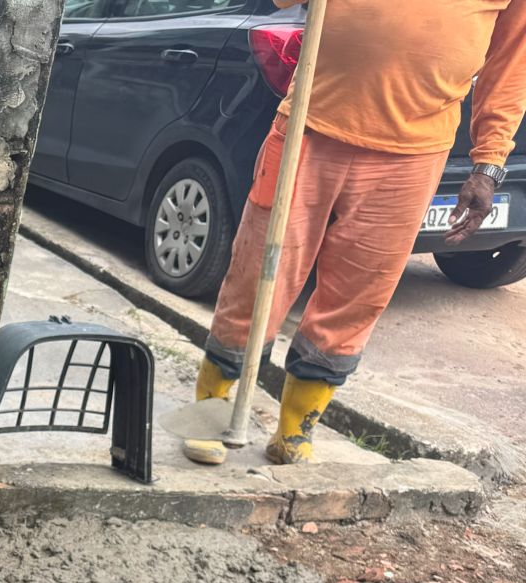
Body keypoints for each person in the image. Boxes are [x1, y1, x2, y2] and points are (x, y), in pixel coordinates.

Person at [198, 0, 526, 464]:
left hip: (413, 156)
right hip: (309, 129)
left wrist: (489, 163)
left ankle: (295, 431)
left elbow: (510, 69)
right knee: (259, 274)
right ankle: (210, 412)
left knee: (356, 298)